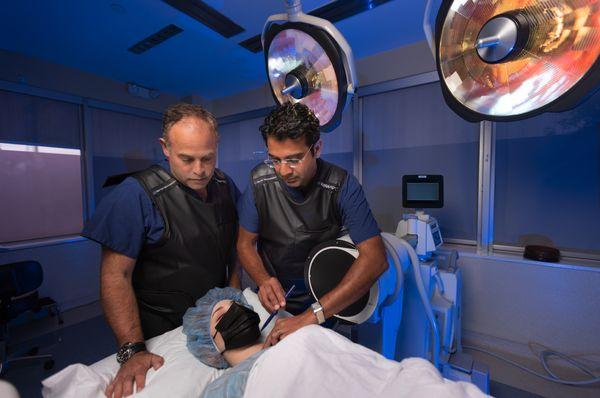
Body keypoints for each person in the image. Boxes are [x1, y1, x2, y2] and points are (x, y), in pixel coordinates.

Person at [82, 103, 241, 398]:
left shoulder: (224, 185)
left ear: (216, 145)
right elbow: (116, 276)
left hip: (212, 318)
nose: (200, 170)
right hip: (161, 326)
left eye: (208, 157)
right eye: (187, 159)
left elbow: (233, 246)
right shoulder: (135, 196)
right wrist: (132, 350)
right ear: (165, 148)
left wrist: (235, 297)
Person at [236, 102, 388, 343]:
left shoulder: (342, 186)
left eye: (294, 159)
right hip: (276, 299)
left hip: (325, 301)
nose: (283, 171)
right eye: (275, 159)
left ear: (316, 148)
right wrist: (263, 279)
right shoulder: (259, 182)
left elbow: (376, 259)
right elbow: (245, 243)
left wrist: (311, 315)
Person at [182, 287, 489, 398]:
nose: (235, 310)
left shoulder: (295, 334)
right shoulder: (223, 388)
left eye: (236, 305)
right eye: (221, 313)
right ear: (212, 348)